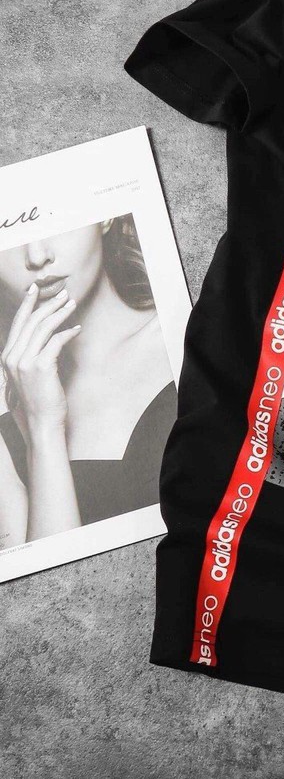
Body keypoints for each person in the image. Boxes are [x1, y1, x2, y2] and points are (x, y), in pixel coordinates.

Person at [0, 216, 176, 547]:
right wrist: (43, 429)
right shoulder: (4, 444)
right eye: (7, 231)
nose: (37, 256)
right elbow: (56, 576)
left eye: (52, 218)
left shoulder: (188, 332)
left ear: (105, 218)